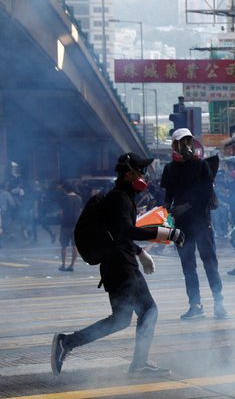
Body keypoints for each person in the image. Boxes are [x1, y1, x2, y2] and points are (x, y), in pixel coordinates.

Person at [51, 153, 185, 377]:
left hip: (116, 266)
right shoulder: (119, 198)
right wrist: (167, 233)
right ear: (128, 173)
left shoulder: (122, 197)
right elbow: (127, 231)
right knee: (149, 311)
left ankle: (67, 342)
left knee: (121, 320)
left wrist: (141, 252)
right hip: (122, 267)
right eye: (140, 171)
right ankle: (138, 365)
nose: (144, 175)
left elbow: (117, 234)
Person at [160, 128, 227, 320]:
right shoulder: (170, 169)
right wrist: (165, 212)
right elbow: (168, 196)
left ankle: (218, 302)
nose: (185, 146)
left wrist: (186, 207)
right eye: (182, 142)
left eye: (188, 141)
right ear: (175, 145)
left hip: (201, 222)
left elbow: (206, 194)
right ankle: (195, 304)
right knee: (188, 266)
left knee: (210, 264)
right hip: (182, 225)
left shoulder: (201, 166)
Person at [58, 181, 83, 271]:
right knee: (74, 246)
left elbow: (61, 212)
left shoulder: (64, 198)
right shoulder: (79, 198)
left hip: (65, 225)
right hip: (76, 225)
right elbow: (80, 211)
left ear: (66, 189)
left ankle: (63, 265)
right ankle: (72, 265)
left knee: (64, 245)